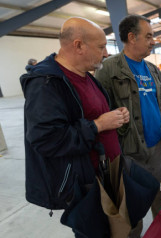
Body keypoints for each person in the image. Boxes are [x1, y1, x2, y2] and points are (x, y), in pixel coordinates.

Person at [20, 17, 131, 236]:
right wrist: (98, 125)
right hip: (85, 185)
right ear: (78, 45)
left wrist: (114, 117)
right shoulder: (47, 84)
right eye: (101, 47)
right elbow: (47, 139)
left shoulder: (87, 76)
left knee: (119, 230)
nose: (106, 53)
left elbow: (91, 114)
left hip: (107, 174)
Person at [95, 15, 161, 219]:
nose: (153, 42)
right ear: (132, 37)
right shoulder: (109, 69)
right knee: (133, 211)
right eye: (148, 36)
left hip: (158, 149)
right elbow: (99, 112)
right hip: (130, 153)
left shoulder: (152, 70)